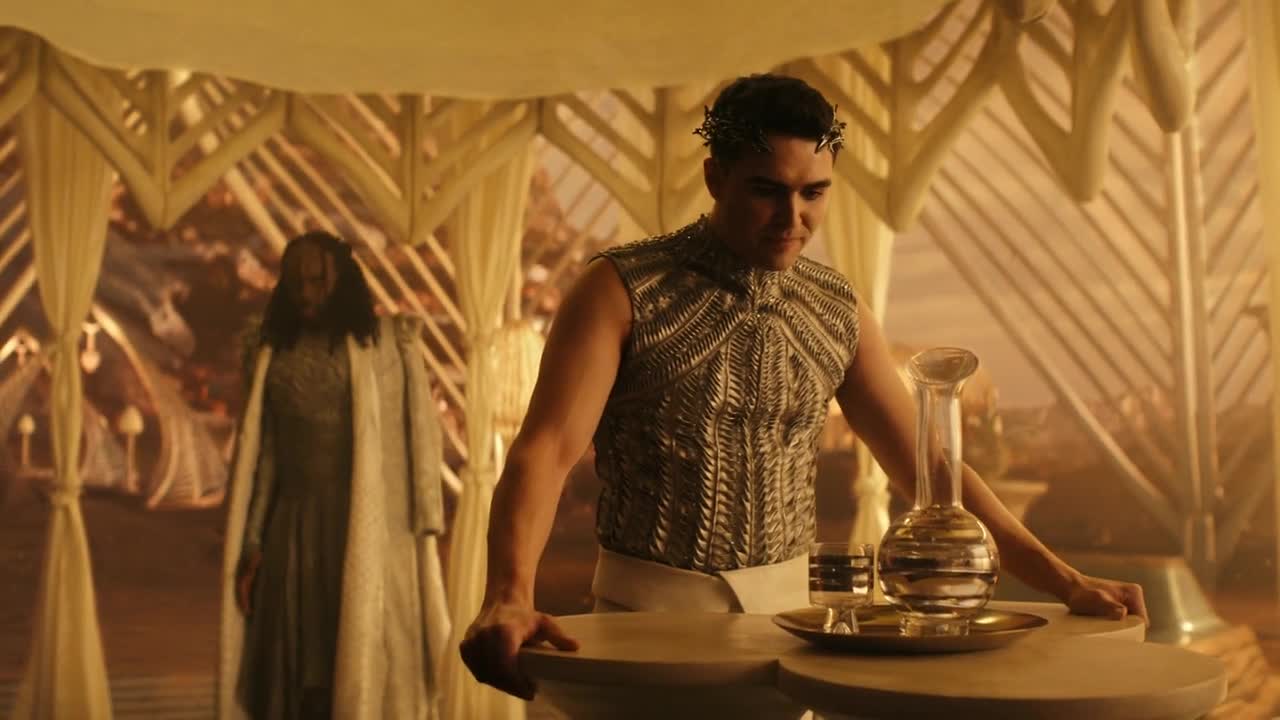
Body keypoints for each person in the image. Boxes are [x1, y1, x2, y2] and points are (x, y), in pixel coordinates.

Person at [460, 74, 1148, 700]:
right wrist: (508, 595)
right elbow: (545, 452)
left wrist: (1066, 580)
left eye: (813, 193)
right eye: (767, 190)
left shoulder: (836, 309)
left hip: (793, 631)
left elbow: (931, 469)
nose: (792, 220)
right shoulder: (620, 288)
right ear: (715, 177)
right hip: (642, 625)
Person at [217, 231, 450, 720]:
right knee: (294, 672)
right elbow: (267, 455)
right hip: (291, 532)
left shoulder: (387, 346)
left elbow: (416, 434)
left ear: (341, 281)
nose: (306, 294)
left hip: (363, 528)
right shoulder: (268, 351)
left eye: (318, 281)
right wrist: (252, 540)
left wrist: (422, 523)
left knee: (356, 658)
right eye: (296, 282)